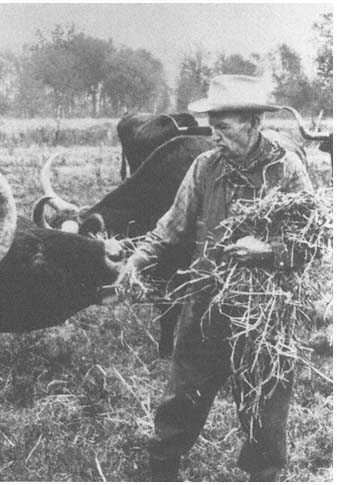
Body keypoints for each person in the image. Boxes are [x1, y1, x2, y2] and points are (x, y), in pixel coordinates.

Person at [118, 75, 313, 481]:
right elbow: (170, 229)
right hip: (207, 304)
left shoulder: (286, 168)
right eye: (212, 128)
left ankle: (264, 474)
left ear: (253, 124)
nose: (215, 137)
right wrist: (137, 260)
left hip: (266, 315)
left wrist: (270, 252)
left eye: (223, 128)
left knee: (265, 411)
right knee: (181, 400)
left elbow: (313, 239)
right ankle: (161, 471)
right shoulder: (205, 167)